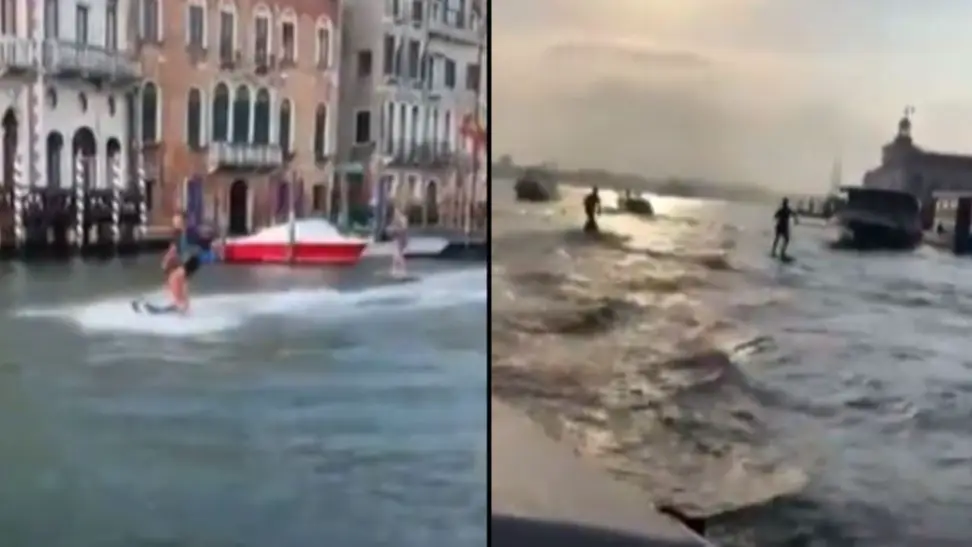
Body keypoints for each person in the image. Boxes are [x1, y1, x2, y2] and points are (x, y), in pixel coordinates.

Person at [161, 212, 202, 313]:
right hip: (184, 260)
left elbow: (200, 245)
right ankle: (177, 302)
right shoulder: (177, 233)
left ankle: (184, 306)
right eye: (174, 221)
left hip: (193, 259)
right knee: (171, 280)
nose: (175, 223)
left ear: (184, 221)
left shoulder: (190, 232)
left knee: (177, 277)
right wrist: (166, 259)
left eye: (178, 221)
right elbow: (173, 248)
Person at [388, 203, 409, 278]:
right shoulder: (396, 219)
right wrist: (391, 230)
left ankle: (403, 270)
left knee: (398, 255)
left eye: (396, 211)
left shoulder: (403, 219)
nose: (395, 212)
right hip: (396, 238)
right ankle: (394, 269)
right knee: (395, 255)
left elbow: (404, 229)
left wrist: (395, 230)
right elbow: (392, 227)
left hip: (401, 239)